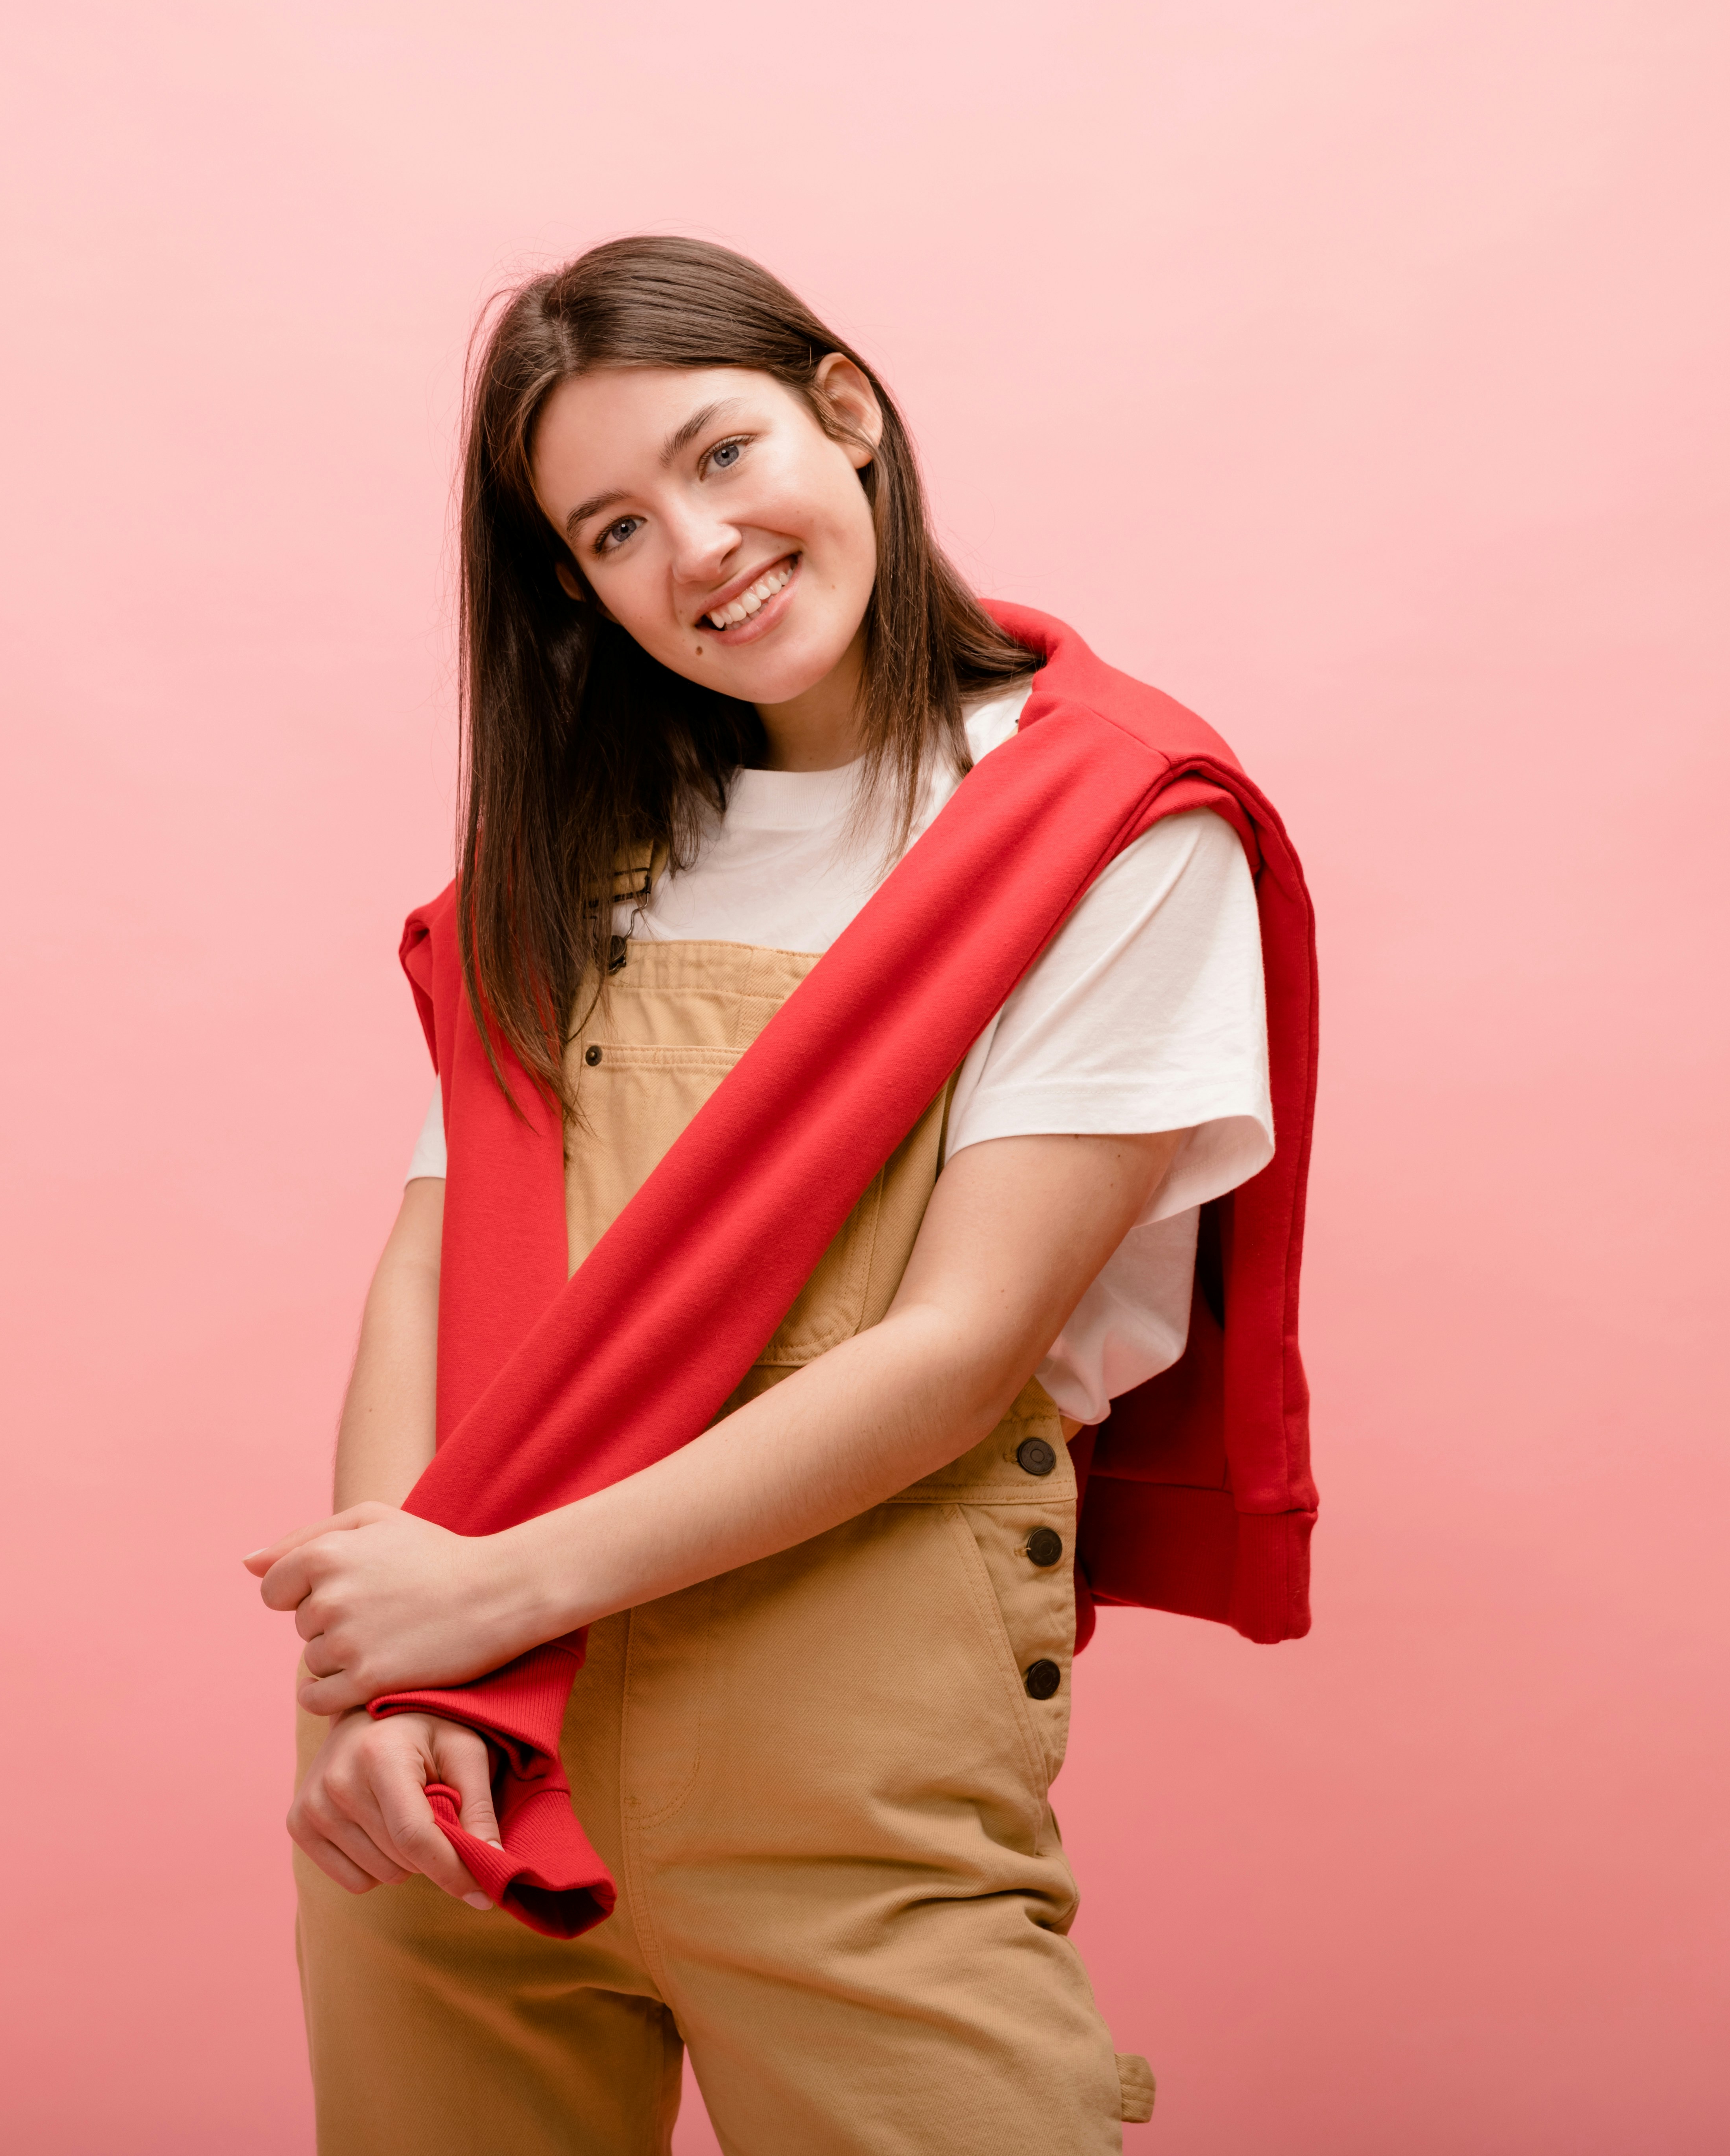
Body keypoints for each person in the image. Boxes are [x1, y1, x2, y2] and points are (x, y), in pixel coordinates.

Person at [243, 236, 1316, 2156]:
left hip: (841, 1780)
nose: (698, 550)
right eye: (613, 531)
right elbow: (433, 1266)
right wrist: (378, 1677)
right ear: (573, 588)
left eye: (719, 454)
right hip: (460, 1771)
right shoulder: (581, 853)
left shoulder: (1110, 824)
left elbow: (955, 1348)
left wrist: (480, 1590)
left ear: (845, 411)